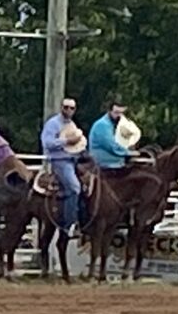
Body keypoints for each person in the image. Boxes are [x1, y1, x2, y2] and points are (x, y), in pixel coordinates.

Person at [40, 96, 87, 233]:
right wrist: (66, 141)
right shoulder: (53, 123)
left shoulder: (72, 125)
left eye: (72, 108)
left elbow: (77, 144)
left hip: (74, 159)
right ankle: (69, 224)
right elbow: (47, 143)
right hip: (59, 160)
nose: (69, 110)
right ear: (61, 108)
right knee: (74, 188)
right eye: (66, 107)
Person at [89, 100, 139, 172]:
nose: (119, 115)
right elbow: (111, 146)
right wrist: (128, 153)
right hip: (103, 160)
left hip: (111, 158)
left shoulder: (113, 124)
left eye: (121, 113)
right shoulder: (103, 124)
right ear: (109, 111)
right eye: (116, 112)